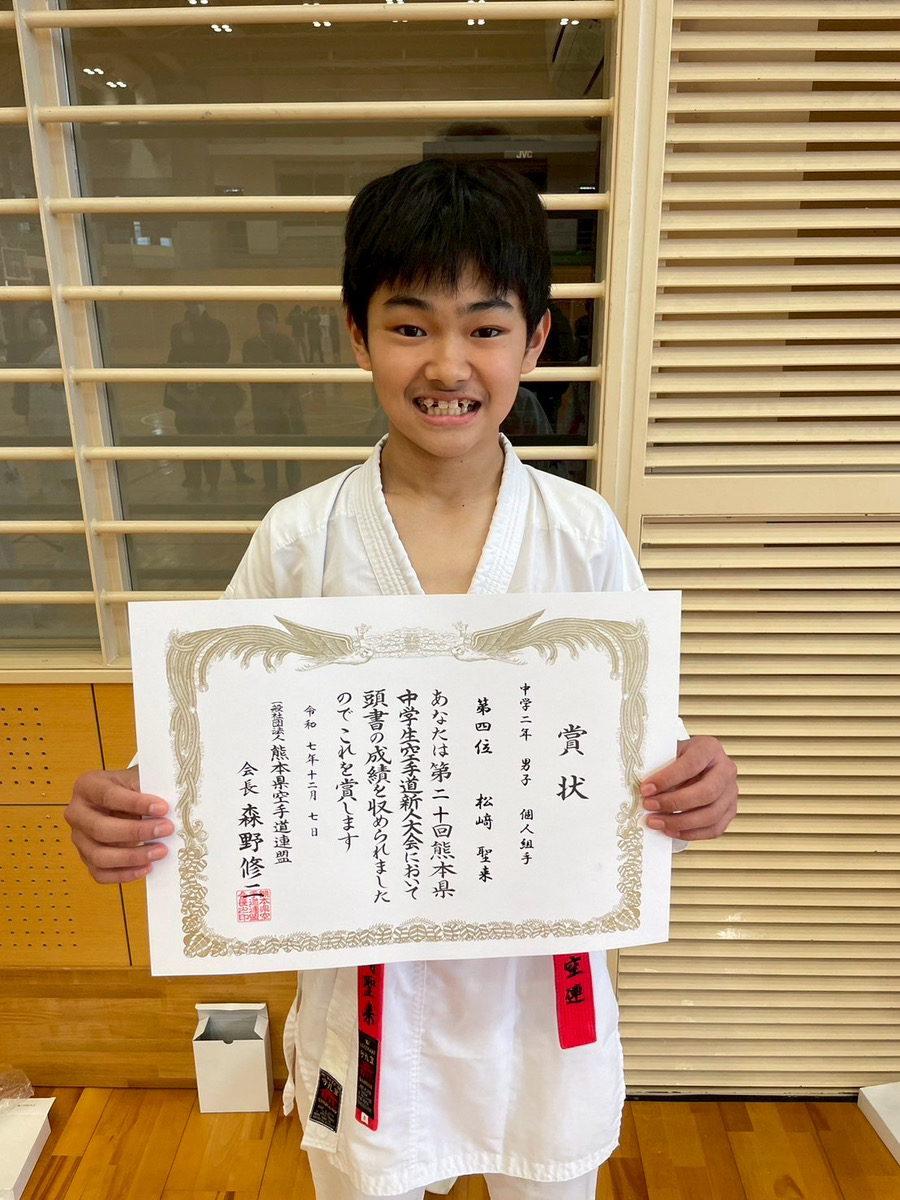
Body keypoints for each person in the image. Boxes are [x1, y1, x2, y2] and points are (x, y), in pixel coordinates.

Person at [66, 160, 738, 1200]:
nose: (448, 363)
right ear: (357, 334)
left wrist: (696, 782)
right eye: (411, 325)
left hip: (537, 999)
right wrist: (130, 809)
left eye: (486, 325)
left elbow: (647, 752)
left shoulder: (581, 535)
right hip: (368, 995)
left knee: (547, 1172)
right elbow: (211, 754)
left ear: (537, 341)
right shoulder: (300, 540)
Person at [163, 302, 253, 492]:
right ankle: (193, 478)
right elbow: (174, 357)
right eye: (190, 304)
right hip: (187, 392)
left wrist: (196, 362)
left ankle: (233, 473)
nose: (193, 307)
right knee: (189, 437)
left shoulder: (217, 327)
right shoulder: (178, 329)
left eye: (197, 303)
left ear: (203, 305)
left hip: (214, 391)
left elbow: (222, 355)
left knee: (225, 433)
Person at [241, 303, 307, 492]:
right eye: (262, 319)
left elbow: (296, 372)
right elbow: (251, 374)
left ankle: (294, 486)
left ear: (276, 321)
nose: (265, 323)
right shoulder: (251, 345)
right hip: (264, 407)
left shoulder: (287, 342)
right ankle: (270, 485)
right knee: (267, 449)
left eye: (269, 319)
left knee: (291, 449)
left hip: (287, 406)